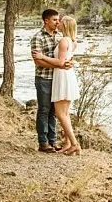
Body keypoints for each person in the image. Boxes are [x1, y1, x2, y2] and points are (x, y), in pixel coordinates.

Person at [33, 15, 81, 156]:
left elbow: (60, 62)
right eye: (56, 20)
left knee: (60, 113)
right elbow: (66, 60)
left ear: (64, 25)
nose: (58, 23)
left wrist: (43, 56)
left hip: (62, 77)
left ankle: (74, 144)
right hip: (65, 76)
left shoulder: (64, 40)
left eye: (60, 21)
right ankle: (67, 144)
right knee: (64, 113)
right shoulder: (72, 41)